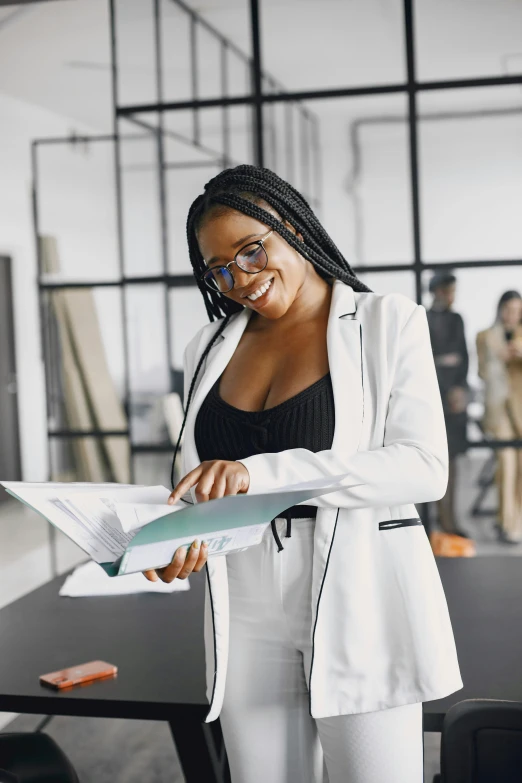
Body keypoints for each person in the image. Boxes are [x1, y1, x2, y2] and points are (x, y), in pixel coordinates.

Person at [143, 165, 463, 783]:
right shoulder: (206, 348)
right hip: (244, 598)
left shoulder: (386, 322)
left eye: (251, 249)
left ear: (292, 224)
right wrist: (169, 539)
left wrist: (258, 473)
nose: (241, 278)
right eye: (219, 268)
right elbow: (198, 481)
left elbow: (424, 469)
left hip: (359, 592)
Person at [426, 271, 470, 538]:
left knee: (452, 463)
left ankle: (448, 521)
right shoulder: (423, 317)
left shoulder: (457, 319)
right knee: (429, 459)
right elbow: (427, 360)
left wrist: (458, 388)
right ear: (436, 291)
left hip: (453, 399)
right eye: (446, 290)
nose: (451, 296)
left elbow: (462, 358)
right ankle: (430, 523)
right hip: (433, 398)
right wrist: (445, 363)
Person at [476, 290, 522, 544]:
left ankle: (516, 522)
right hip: (499, 409)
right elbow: (482, 373)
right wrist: (498, 360)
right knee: (506, 463)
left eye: (517, 310)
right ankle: (507, 524)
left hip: (520, 410)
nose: (512, 315)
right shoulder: (485, 337)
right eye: (508, 309)